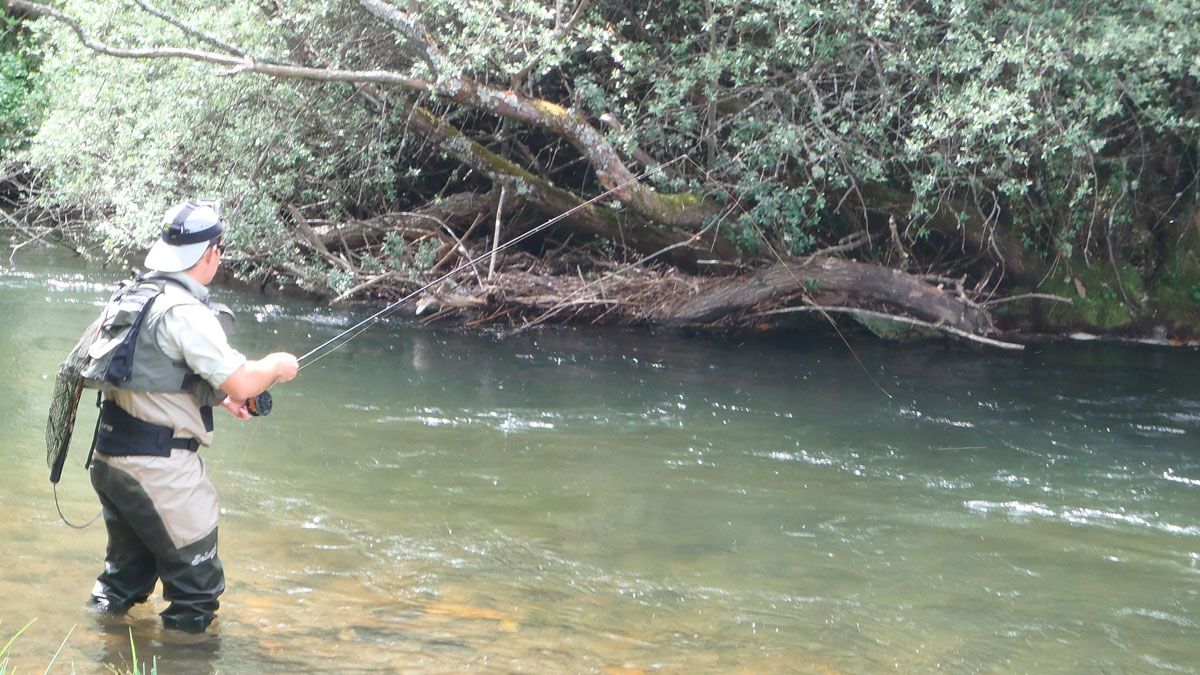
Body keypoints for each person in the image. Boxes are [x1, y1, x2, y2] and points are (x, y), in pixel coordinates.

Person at [85, 200, 299, 633]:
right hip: (158, 471)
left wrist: (216, 400)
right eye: (219, 249)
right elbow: (242, 382)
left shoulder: (133, 294)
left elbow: (146, 374)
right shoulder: (185, 311)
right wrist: (277, 364)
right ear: (210, 254)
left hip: (110, 459)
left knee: (123, 580)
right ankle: (183, 662)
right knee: (197, 590)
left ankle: (95, 649)